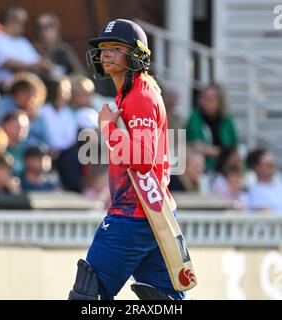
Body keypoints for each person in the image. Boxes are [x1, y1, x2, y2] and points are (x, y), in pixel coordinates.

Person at [69, 19, 186, 300]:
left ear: (136, 55)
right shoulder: (132, 94)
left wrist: (108, 128)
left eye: (115, 48)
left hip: (133, 217)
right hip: (153, 213)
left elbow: (143, 160)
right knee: (165, 300)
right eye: (103, 49)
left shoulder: (140, 97)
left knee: (88, 296)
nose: (105, 54)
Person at [0, 5, 52, 90]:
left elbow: (37, 61)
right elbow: (7, 62)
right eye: (23, 23)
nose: (24, 27)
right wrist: (33, 66)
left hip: (29, 89)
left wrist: (45, 65)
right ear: (12, 21)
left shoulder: (23, 41)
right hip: (4, 90)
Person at [186, 84, 238, 170]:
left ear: (219, 102)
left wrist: (214, 151)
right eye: (203, 98)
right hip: (203, 167)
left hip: (225, 169)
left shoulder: (227, 120)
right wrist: (221, 152)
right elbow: (195, 145)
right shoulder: (195, 117)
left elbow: (233, 148)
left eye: (209, 99)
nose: (204, 102)